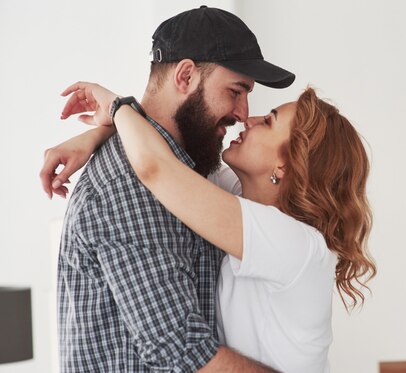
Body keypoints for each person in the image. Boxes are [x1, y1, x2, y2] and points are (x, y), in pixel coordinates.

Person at [43, 80, 376, 372]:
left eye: (269, 121)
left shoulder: (295, 244)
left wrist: (115, 104)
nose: (251, 118)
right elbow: (162, 149)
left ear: (284, 164)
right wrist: (98, 133)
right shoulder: (238, 194)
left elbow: (156, 169)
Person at [40, 6, 297, 373]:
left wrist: (109, 124)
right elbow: (181, 350)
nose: (243, 112)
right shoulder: (129, 186)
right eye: (236, 91)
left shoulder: (190, 168)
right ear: (186, 75)